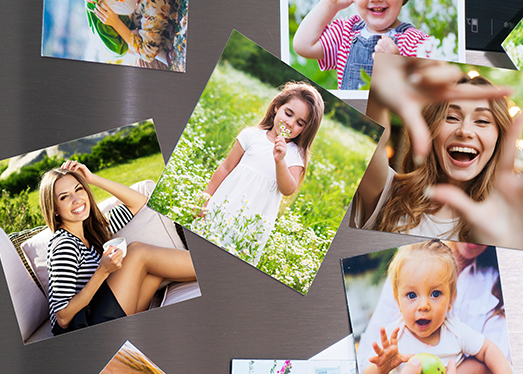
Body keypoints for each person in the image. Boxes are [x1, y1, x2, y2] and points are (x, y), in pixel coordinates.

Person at [353, 54, 523, 251]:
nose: (465, 131)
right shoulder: (387, 192)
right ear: (431, 130)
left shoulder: (508, 221)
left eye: (482, 121)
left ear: (499, 140)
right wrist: (377, 95)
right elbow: (370, 140)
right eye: (452, 117)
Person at [42, 161, 196, 335]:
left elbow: (139, 203)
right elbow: (62, 318)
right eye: (64, 197)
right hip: (86, 330)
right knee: (137, 252)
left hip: (105, 313)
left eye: (79, 189)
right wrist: (103, 271)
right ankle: (213, 268)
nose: (77, 200)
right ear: (54, 208)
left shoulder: (93, 231)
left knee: (154, 273)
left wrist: (93, 179)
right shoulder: (63, 244)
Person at [200, 82, 324, 262]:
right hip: (225, 205)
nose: (290, 123)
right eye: (288, 114)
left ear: (306, 129)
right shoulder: (251, 135)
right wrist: (205, 197)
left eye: (300, 123)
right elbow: (226, 167)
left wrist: (280, 160)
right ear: (276, 107)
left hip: (253, 220)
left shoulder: (296, 155)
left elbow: (288, 189)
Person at [357, 242, 510, 373]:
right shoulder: (394, 337)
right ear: (398, 302)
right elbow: (368, 369)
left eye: (435, 294)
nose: (424, 306)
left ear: (451, 300)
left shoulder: (456, 331)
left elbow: (489, 350)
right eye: (411, 295)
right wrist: (381, 369)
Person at [293, 0, 432, 90]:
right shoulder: (345, 33)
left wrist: (399, 66)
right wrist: (330, 4)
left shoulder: (415, 42)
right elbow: (303, 45)